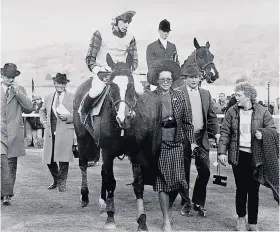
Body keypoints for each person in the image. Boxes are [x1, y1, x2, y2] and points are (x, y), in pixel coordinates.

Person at [218, 82, 278, 231]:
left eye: (238, 95)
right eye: (235, 95)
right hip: (238, 155)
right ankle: (241, 219)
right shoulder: (232, 111)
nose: (235, 97)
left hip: (256, 157)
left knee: (254, 190)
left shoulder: (263, 112)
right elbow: (225, 132)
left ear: (248, 96)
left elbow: (273, 130)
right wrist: (221, 152)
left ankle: (253, 222)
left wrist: (263, 133)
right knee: (241, 188)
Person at [147, 59, 196, 232]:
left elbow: (188, 122)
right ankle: (166, 219)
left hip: (177, 144)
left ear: (172, 80)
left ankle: (168, 210)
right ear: (157, 81)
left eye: (169, 79)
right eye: (163, 79)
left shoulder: (180, 96)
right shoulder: (151, 97)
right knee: (162, 183)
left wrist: (192, 142)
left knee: (177, 183)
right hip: (158, 145)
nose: (166, 82)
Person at [175, 64, 220, 217]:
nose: (194, 80)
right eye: (190, 77)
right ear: (185, 79)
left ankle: (198, 202)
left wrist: (217, 134)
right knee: (184, 172)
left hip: (201, 138)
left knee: (205, 171)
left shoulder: (206, 93)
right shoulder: (177, 93)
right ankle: (186, 202)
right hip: (183, 139)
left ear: (200, 78)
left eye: (196, 77)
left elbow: (212, 116)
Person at [1, 63, 33, 205]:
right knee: (2, 162)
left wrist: (18, 92)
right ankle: (4, 192)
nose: (11, 79)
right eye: (8, 77)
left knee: (11, 164)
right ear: (2, 76)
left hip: (14, 133)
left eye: (13, 77)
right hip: (0, 132)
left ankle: (7, 194)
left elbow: (29, 108)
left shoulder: (20, 90)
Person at [39, 73, 75, 192]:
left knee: (63, 159)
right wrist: (44, 123)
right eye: (58, 83)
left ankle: (62, 183)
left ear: (66, 84)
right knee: (49, 159)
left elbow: (79, 113)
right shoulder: (49, 97)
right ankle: (56, 179)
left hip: (65, 131)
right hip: (50, 131)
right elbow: (42, 111)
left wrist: (69, 117)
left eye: (63, 83)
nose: (60, 85)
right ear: (54, 84)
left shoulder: (72, 97)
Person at [86, 10, 138, 75]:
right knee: (97, 85)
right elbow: (90, 58)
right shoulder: (99, 33)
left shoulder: (131, 37)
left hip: (123, 74)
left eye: (128, 22)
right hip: (102, 73)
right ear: (115, 21)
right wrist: (97, 70)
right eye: (124, 21)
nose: (127, 25)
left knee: (138, 85)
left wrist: (128, 69)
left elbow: (134, 60)